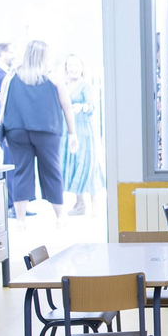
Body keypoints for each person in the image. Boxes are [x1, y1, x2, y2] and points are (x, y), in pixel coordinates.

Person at [1, 40, 78, 221]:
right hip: (47, 130)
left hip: (16, 131)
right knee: (52, 170)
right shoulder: (53, 77)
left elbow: (3, 105)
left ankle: (20, 220)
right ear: (44, 56)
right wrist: (72, 133)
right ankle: (60, 216)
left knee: (21, 171)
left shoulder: (11, 76)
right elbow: (67, 107)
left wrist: (3, 130)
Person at [60, 53, 103, 216]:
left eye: (76, 65)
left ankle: (95, 205)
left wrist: (81, 107)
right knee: (74, 164)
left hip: (84, 130)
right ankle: (80, 203)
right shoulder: (63, 85)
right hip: (68, 130)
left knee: (88, 164)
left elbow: (91, 106)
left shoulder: (86, 86)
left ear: (82, 68)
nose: (73, 69)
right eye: (70, 65)